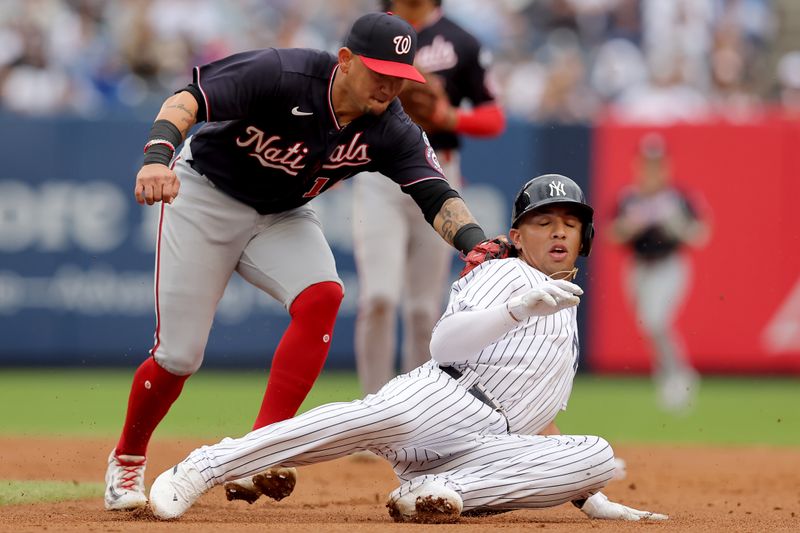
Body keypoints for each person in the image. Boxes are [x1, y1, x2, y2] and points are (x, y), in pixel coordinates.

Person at [104, 12, 496, 512]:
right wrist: (157, 155)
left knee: (323, 296)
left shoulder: (391, 127)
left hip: (282, 214)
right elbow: (189, 100)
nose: (389, 85)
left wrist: (475, 243)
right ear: (347, 60)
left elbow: (436, 194)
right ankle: (128, 459)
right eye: (379, 71)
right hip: (206, 197)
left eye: (401, 76)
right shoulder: (282, 73)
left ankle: (262, 449)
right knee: (179, 356)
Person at [146, 174, 668, 524]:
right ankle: (204, 466)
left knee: (598, 454)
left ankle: (428, 496)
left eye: (569, 224)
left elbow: (537, 416)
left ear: (585, 239)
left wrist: (590, 493)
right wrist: (515, 307)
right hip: (443, 400)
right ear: (516, 234)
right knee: (349, 423)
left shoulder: (563, 307)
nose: (558, 232)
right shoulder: (507, 272)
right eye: (544, 222)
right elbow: (443, 343)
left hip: (482, 451)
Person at [352, 0, 505, 395]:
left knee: (423, 309)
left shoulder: (461, 39)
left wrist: (450, 117)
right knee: (380, 298)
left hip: (436, 169)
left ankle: (414, 412)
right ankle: (372, 410)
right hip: (376, 172)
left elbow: (493, 117)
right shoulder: (370, 31)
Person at [610, 133, 711, 412]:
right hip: (638, 266)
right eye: (647, 163)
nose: (652, 169)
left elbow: (700, 234)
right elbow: (611, 234)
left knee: (655, 321)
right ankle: (669, 377)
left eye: (657, 163)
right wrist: (632, 224)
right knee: (648, 325)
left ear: (666, 165)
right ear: (639, 165)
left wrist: (675, 224)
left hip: (669, 264)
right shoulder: (629, 197)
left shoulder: (677, 197)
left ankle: (679, 376)